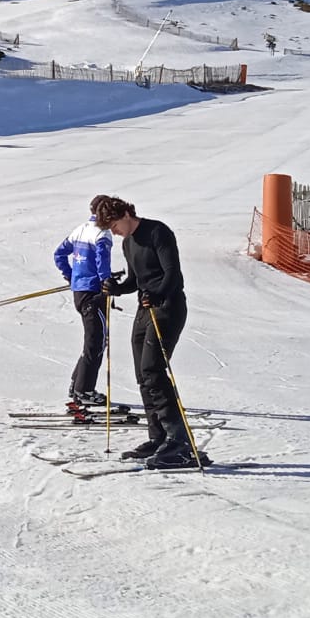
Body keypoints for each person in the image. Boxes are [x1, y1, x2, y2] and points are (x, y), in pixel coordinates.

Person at [95, 195, 201, 469]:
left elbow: (172, 274)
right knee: (143, 375)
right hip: (145, 310)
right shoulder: (129, 242)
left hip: (168, 307)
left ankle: (181, 443)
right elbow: (135, 280)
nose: (114, 232)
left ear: (126, 215)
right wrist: (116, 288)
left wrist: (157, 294)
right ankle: (159, 437)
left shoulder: (157, 231)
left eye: (114, 225)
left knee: (153, 371)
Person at [53, 198, 116, 414]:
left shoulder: (80, 229)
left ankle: (77, 385)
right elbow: (101, 261)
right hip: (94, 293)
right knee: (97, 342)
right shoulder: (102, 234)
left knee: (93, 340)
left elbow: (59, 254)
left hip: (80, 292)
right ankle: (84, 390)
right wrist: (106, 281)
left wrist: (72, 277)